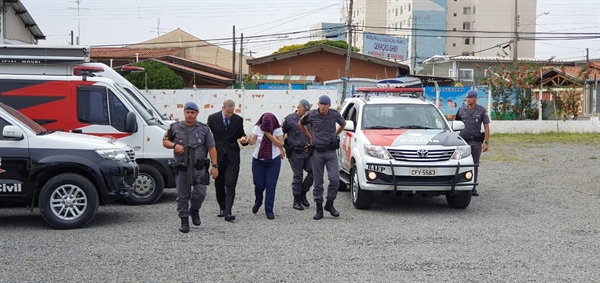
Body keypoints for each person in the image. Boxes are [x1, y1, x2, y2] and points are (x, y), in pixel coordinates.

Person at [162, 102, 218, 233]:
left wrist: (215, 166)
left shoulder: (204, 129)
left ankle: (194, 210)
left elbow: (211, 147)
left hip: (199, 168)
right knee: (182, 196)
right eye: (187, 112)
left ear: (197, 113)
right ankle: (184, 220)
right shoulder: (175, 127)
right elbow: (165, 141)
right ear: (184, 113)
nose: (190, 115)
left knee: (200, 193)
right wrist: (174, 146)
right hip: (182, 168)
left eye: (192, 113)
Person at [298, 95, 346, 220]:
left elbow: (343, 123)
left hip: (330, 152)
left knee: (335, 179)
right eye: (320, 104)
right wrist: (310, 137)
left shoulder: (334, 114)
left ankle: (329, 203)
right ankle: (319, 208)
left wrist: (335, 134)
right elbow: (301, 123)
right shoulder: (312, 114)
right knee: (318, 182)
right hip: (317, 152)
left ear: (329, 105)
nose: (322, 107)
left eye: (325, 104)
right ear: (318, 104)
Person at [207, 99, 249, 222]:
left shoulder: (238, 119)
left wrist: (243, 140)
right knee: (219, 183)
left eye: (232, 112)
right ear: (223, 108)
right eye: (228, 113)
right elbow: (208, 137)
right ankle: (222, 207)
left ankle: (228, 211)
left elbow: (241, 134)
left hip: (232, 156)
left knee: (230, 183)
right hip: (218, 155)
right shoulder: (213, 118)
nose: (230, 115)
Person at [246, 112, 285, 219]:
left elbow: (280, 143)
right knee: (259, 185)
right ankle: (258, 202)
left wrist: (268, 134)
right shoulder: (258, 127)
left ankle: (269, 209)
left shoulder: (277, 129)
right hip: (258, 159)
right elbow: (253, 141)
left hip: (273, 160)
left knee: (270, 185)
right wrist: (247, 140)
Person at [455, 89, 490, 196]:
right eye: (467, 98)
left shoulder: (481, 110)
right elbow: (455, 124)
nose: (468, 99)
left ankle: (473, 186)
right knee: (460, 163)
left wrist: (486, 142)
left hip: (475, 141)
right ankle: (459, 184)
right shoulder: (461, 110)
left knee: (474, 164)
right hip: (463, 142)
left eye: (470, 98)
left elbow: (486, 126)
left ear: (475, 98)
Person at [282, 99, 313, 211]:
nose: (305, 113)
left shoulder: (309, 119)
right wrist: (282, 147)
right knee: (298, 176)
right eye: (303, 110)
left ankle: (303, 193)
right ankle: (297, 200)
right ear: (298, 107)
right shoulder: (289, 119)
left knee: (313, 172)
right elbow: (281, 133)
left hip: (308, 151)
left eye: (307, 111)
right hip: (295, 152)